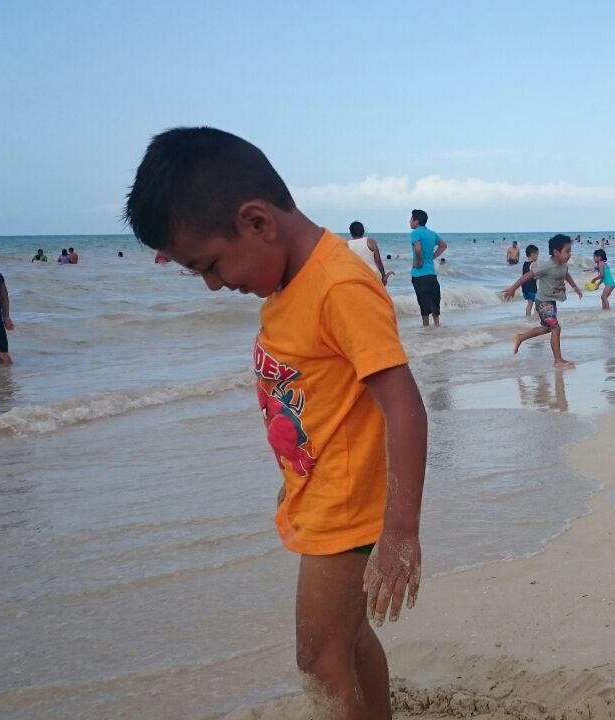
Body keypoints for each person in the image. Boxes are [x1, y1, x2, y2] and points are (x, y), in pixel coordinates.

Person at [123, 126, 427, 720]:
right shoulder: (293, 282)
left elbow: (404, 405)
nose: (213, 284)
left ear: (257, 222)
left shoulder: (338, 286)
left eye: (209, 265)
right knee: (350, 639)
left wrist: (400, 530)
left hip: (349, 508)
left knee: (318, 656)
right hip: (326, 493)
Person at [503, 234, 583, 367]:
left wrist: (575, 287)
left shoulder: (563, 264)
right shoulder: (546, 266)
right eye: (567, 251)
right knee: (556, 328)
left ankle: (521, 337)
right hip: (543, 302)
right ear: (556, 252)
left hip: (551, 302)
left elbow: (566, 275)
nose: (570, 254)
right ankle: (558, 360)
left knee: (547, 328)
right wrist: (513, 288)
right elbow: (528, 275)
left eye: (570, 251)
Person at [409, 209, 447, 327]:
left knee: (424, 306)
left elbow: (418, 248)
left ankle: (426, 331)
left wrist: (419, 261)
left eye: (411, 219)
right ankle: (437, 329)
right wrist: (431, 257)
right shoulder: (432, 233)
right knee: (435, 305)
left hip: (419, 275)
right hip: (432, 274)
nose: (409, 221)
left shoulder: (415, 233)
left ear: (416, 221)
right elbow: (443, 245)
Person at [352, 220, 394, 286]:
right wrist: (383, 276)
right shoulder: (370, 242)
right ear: (363, 231)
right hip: (373, 275)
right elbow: (378, 261)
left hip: (357, 276)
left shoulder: (347, 245)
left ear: (351, 232)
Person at [520, 244, 539, 318]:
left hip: (525, 287)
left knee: (529, 303)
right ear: (533, 254)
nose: (538, 256)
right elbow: (535, 277)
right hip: (532, 287)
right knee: (538, 303)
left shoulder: (525, 264)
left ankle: (528, 318)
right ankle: (536, 318)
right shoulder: (534, 264)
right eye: (537, 254)